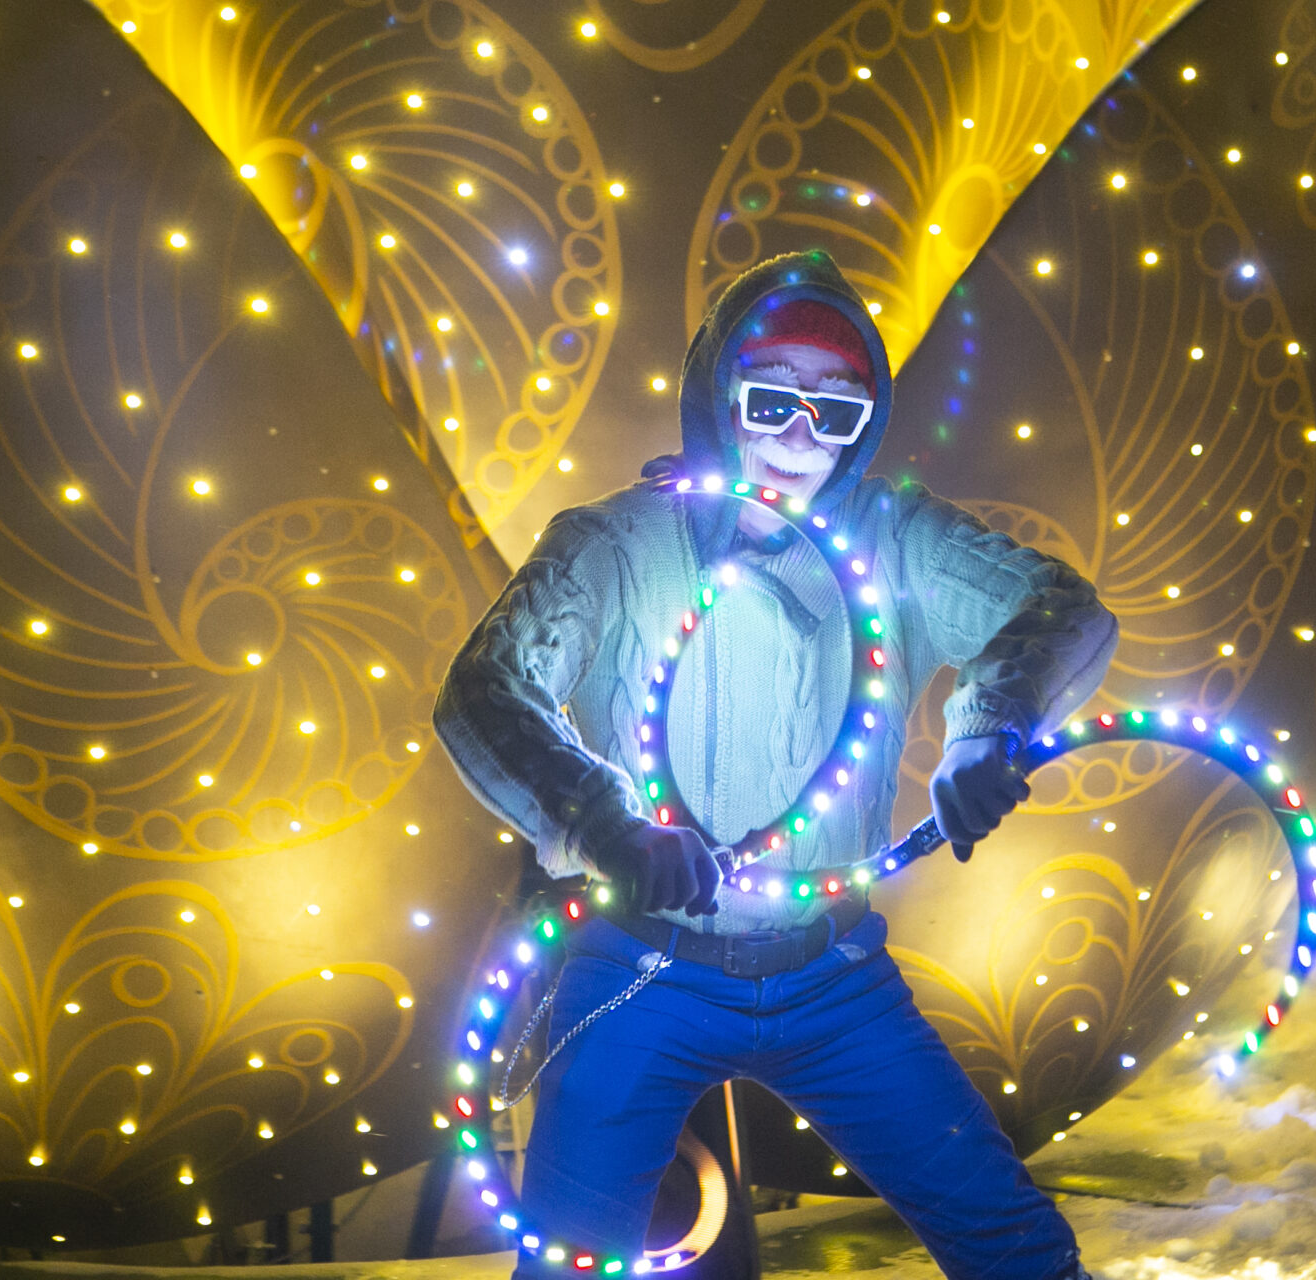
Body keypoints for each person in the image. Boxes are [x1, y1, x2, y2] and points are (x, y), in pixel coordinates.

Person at [433, 249, 1117, 1280]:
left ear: (865, 425)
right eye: (770, 401)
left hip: (833, 975)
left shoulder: (892, 538)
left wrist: (990, 724)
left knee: (1016, 1249)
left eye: (835, 412)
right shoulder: (616, 543)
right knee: (570, 1266)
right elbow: (486, 688)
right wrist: (612, 826)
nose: (800, 439)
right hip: (639, 972)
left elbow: (1060, 607)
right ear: (718, 395)